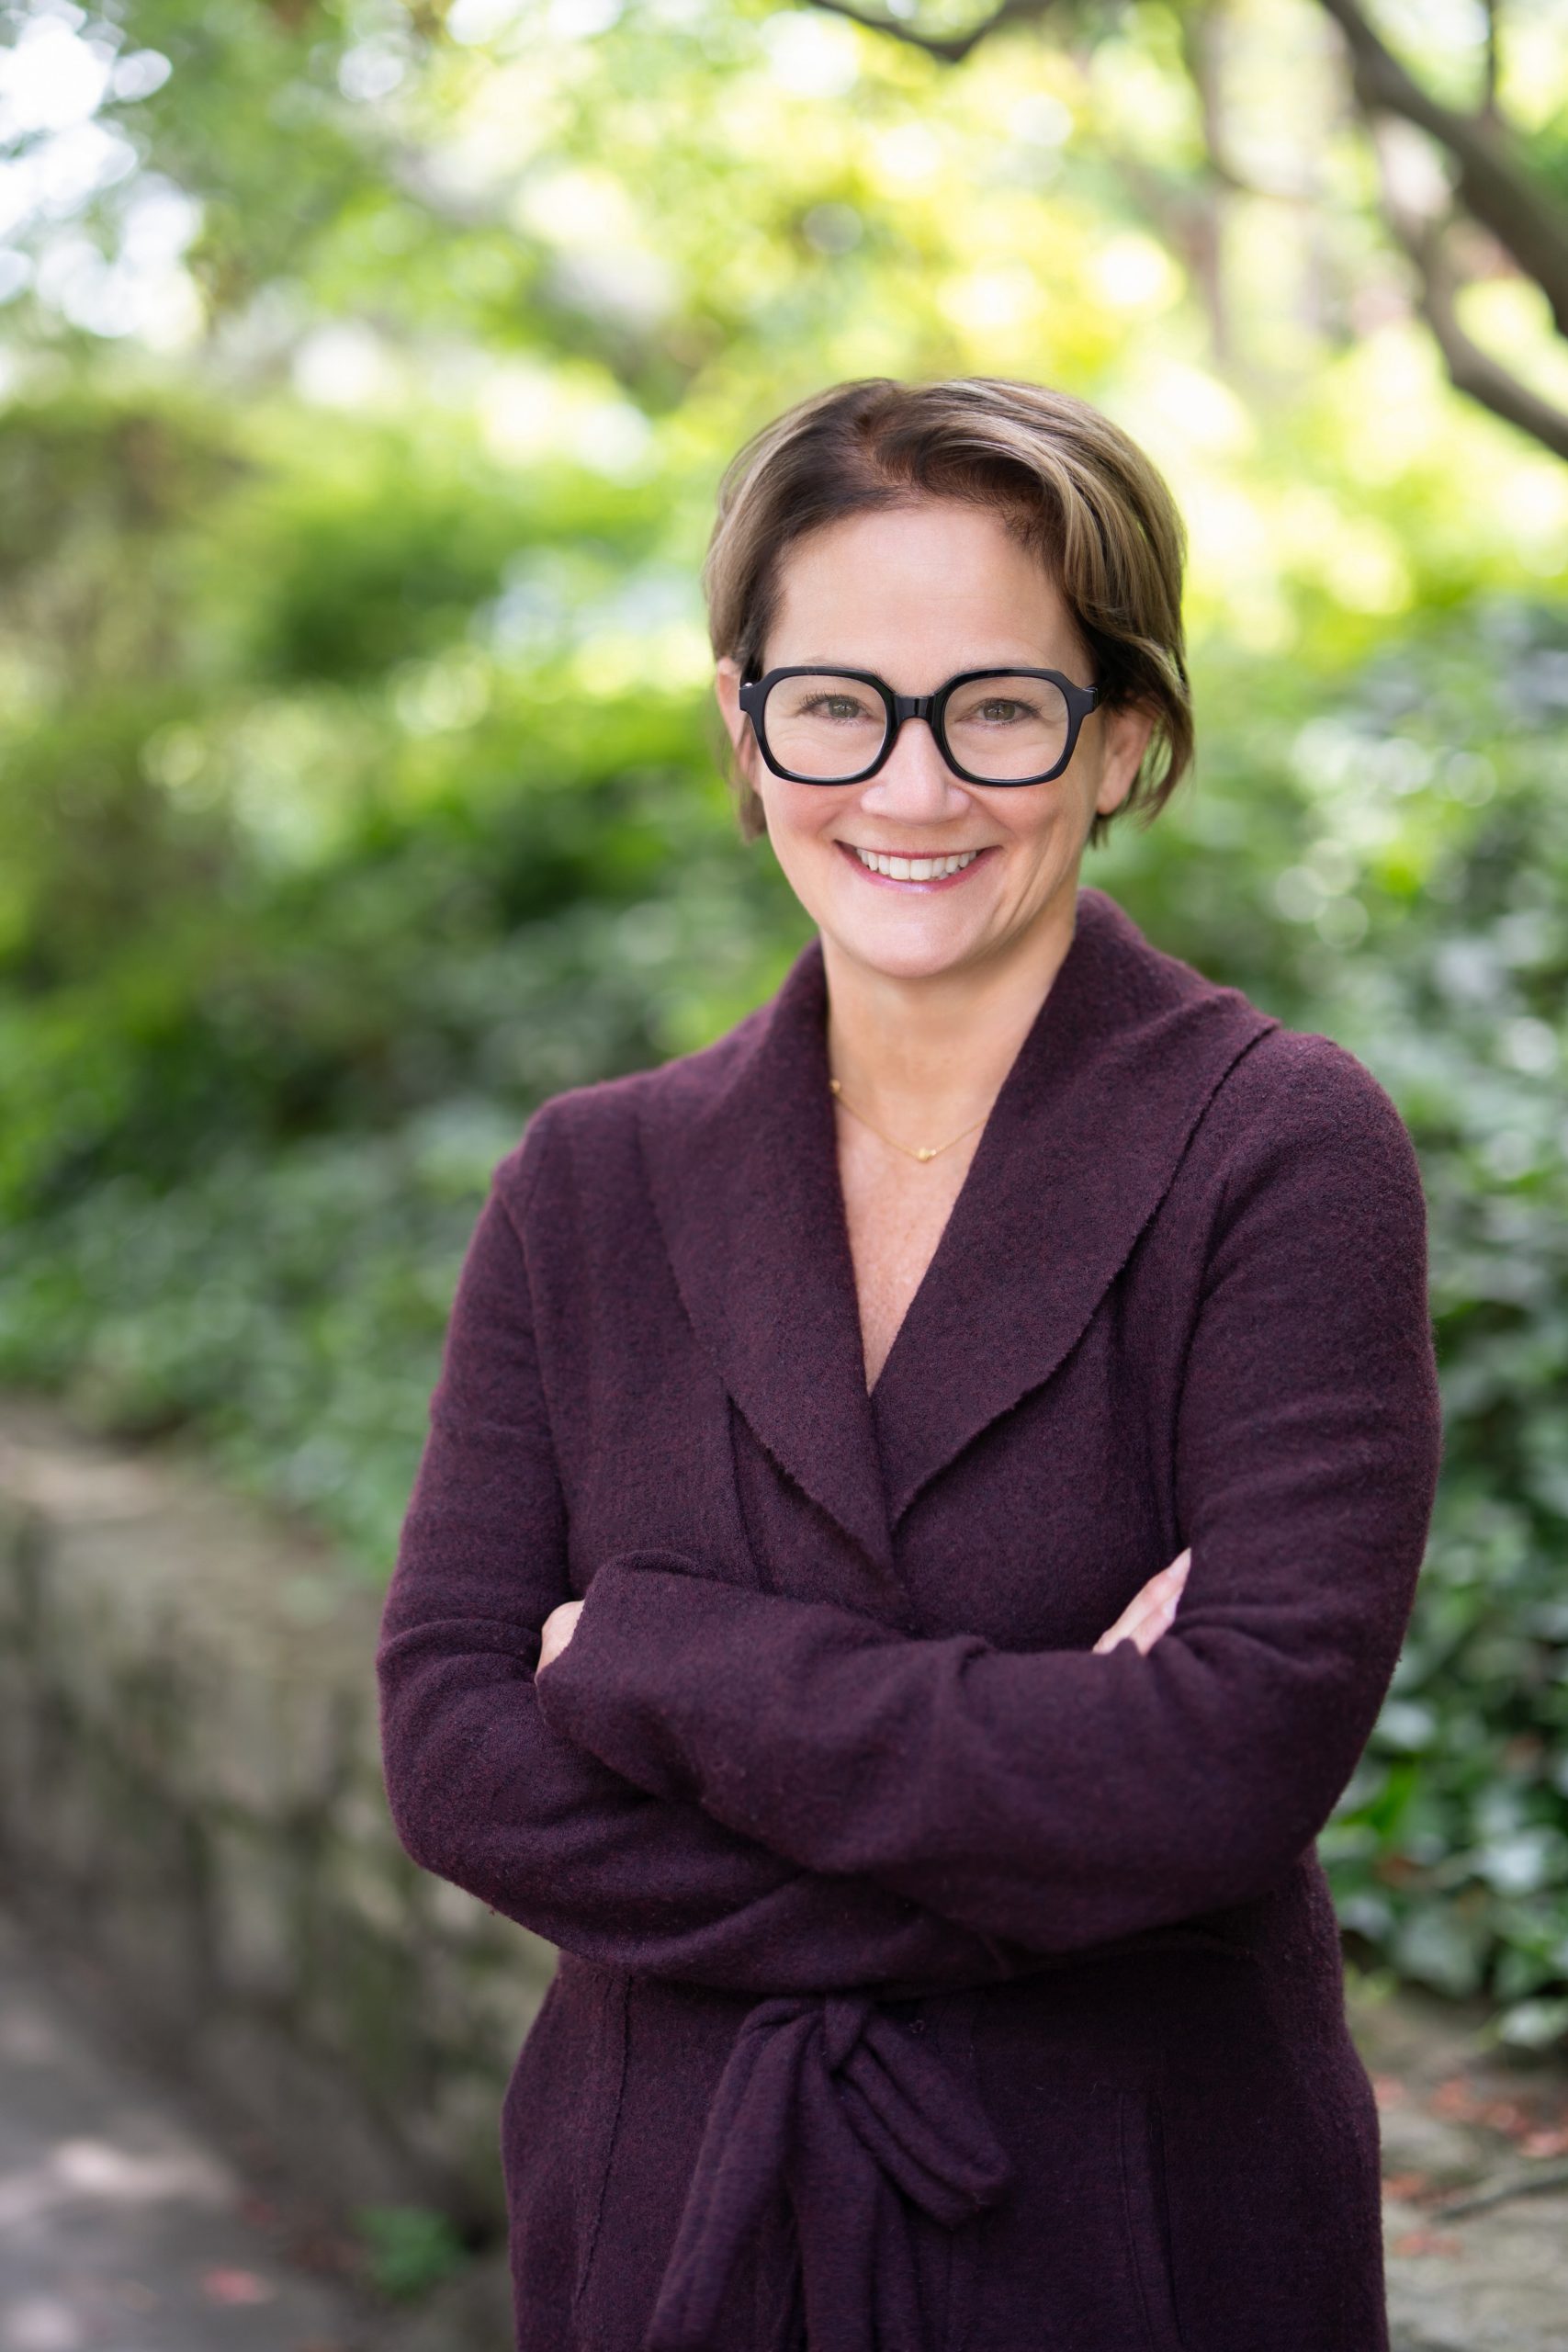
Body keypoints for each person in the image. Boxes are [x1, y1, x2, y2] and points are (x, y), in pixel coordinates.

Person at [375, 376, 1443, 2352]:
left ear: (1119, 736)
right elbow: (452, 1750)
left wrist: (649, 1656)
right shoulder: (589, 1180)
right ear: (744, 720)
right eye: (839, 701)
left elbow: (1228, 1761)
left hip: (1141, 2219)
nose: (913, 787)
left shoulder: (1278, 1146)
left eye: (1000, 707)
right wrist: (1046, 1813)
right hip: (668, 2209)